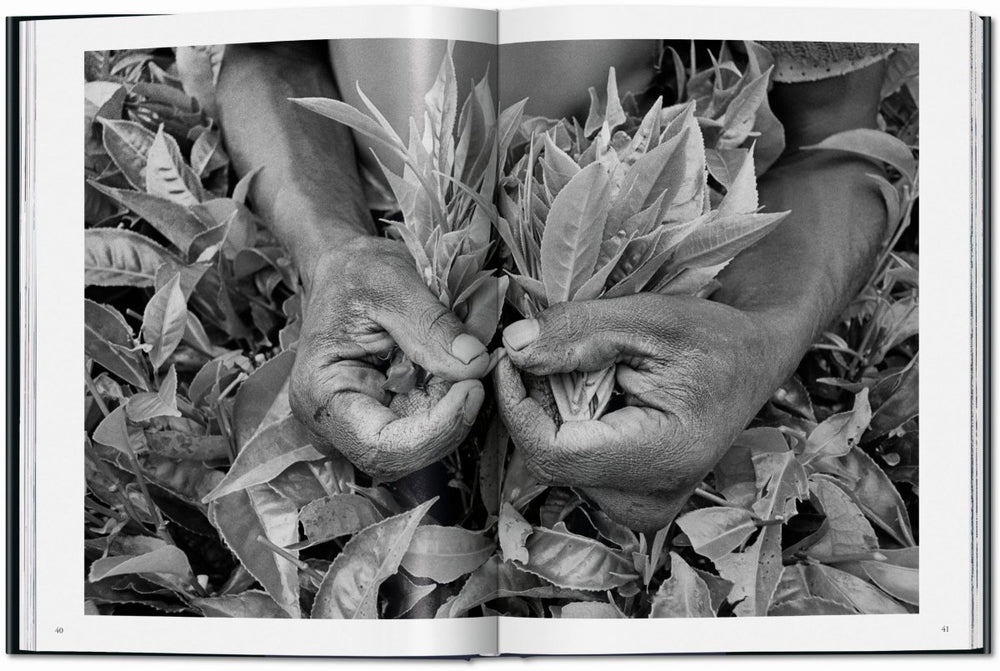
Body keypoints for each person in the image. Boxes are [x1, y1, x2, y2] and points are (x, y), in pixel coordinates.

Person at [215, 39, 895, 531]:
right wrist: (330, 247)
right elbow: (263, 50)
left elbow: (839, 135)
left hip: (633, 266)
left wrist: (760, 333)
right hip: (386, 234)